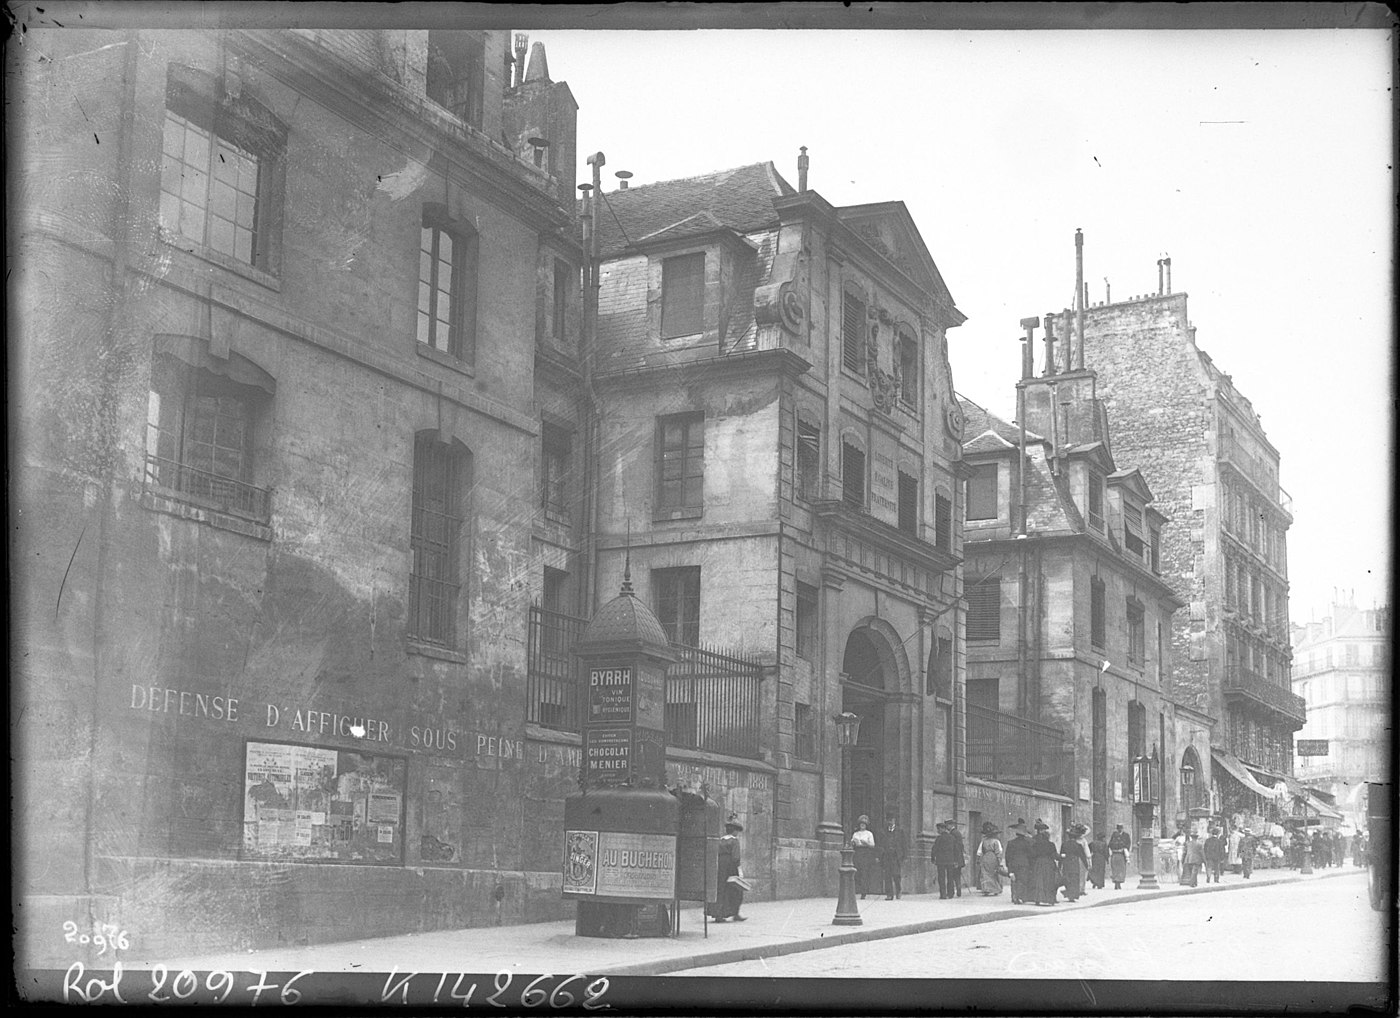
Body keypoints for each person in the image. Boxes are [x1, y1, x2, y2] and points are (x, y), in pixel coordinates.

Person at [708, 815, 747, 922]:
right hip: (730, 868)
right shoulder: (734, 841)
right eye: (737, 831)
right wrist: (738, 870)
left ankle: (718, 914)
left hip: (720, 868)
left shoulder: (720, 840)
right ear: (734, 831)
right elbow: (735, 857)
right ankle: (735, 913)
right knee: (736, 890)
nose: (737, 833)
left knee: (720, 890)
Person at [1024, 820, 1062, 906]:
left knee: (1039, 881)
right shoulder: (1051, 845)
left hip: (1038, 862)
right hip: (1048, 863)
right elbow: (1054, 855)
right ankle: (1050, 899)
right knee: (1049, 881)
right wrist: (1061, 858)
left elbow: (1032, 854)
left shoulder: (1035, 843)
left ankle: (1038, 898)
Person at [932, 820, 964, 899]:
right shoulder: (952, 838)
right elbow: (956, 850)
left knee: (941, 878)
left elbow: (934, 849)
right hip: (950, 861)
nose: (938, 831)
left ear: (942, 829)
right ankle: (950, 894)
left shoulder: (939, 838)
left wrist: (933, 858)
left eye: (938, 829)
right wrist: (956, 860)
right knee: (950, 877)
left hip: (940, 861)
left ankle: (943, 894)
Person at [879, 815, 907, 900]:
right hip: (887, 856)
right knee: (887, 875)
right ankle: (889, 894)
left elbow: (904, 844)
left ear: (894, 820)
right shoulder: (883, 831)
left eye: (891, 820)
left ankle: (898, 890)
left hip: (896, 856)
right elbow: (881, 844)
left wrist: (904, 856)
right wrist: (880, 856)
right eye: (888, 820)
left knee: (896, 874)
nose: (889, 822)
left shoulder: (900, 831)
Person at [850, 815, 878, 900]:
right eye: (861, 824)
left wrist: (866, 843)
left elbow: (872, 845)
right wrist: (854, 842)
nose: (862, 826)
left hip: (866, 853)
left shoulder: (869, 833)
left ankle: (864, 892)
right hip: (857, 852)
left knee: (864, 872)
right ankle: (857, 889)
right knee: (857, 871)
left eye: (864, 824)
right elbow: (852, 842)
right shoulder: (856, 834)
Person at [1004, 820, 1032, 904]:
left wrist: (1008, 867)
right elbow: (1030, 855)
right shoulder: (1027, 843)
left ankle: (1014, 897)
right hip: (1024, 864)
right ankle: (1020, 897)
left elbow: (1007, 856)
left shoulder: (1011, 843)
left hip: (1013, 864)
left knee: (1014, 880)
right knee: (1022, 881)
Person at [1060, 824, 1090, 901]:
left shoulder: (1064, 844)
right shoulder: (1078, 845)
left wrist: (1060, 865)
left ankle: (1068, 892)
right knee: (1074, 879)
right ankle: (1072, 896)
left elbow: (1061, 855)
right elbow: (1082, 856)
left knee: (1068, 878)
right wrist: (1086, 865)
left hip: (1067, 863)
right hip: (1075, 863)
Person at [975, 822, 1005, 896]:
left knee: (985, 873)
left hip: (985, 857)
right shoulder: (996, 841)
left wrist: (978, 859)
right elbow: (999, 851)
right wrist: (999, 859)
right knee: (994, 873)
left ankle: (986, 889)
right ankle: (995, 889)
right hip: (993, 857)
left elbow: (979, 851)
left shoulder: (984, 841)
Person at [1108, 823, 1132, 889]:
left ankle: (1119, 882)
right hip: (1115, 854)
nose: (1119, 830)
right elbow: (1110, 844)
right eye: (1118, 828)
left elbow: (1128, 844)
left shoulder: (1126, 835)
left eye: (1120, 828)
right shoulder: (1114, 835)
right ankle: (1116, 882)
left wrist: (1125, 850)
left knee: (1121, 869)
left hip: (1122, 854)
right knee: (1115, 869)